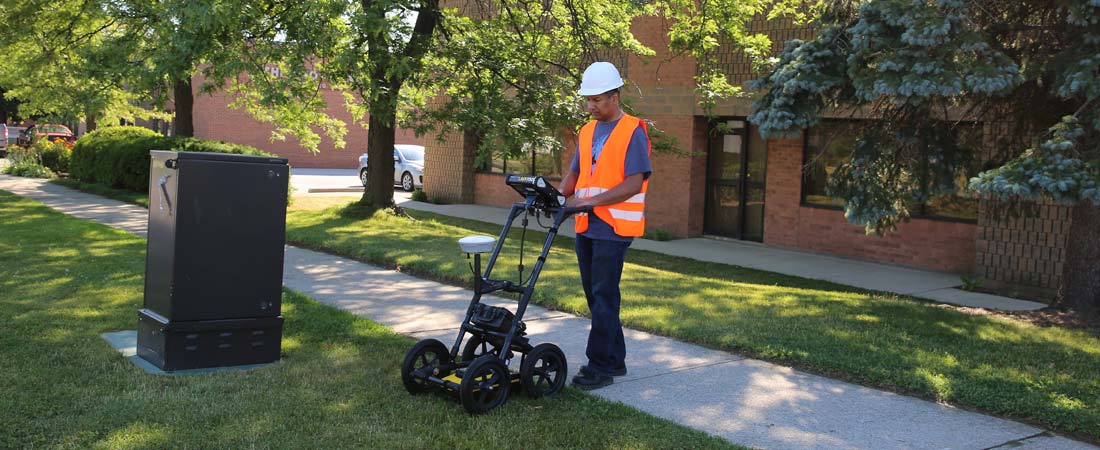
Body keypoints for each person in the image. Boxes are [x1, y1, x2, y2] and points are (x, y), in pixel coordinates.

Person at [558, 62, 652, 390]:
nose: (591, 106)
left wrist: (587, 203)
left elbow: (634, 183)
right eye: (588, 100)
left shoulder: (633, 130)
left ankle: (599, 366)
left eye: (597, 100)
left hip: (613, 227)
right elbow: (575, 175)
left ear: (614, 96)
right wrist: (555, 196)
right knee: (596, 295)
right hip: (586, 224)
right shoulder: (587, 131)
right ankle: (616, 358)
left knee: (603, 294)